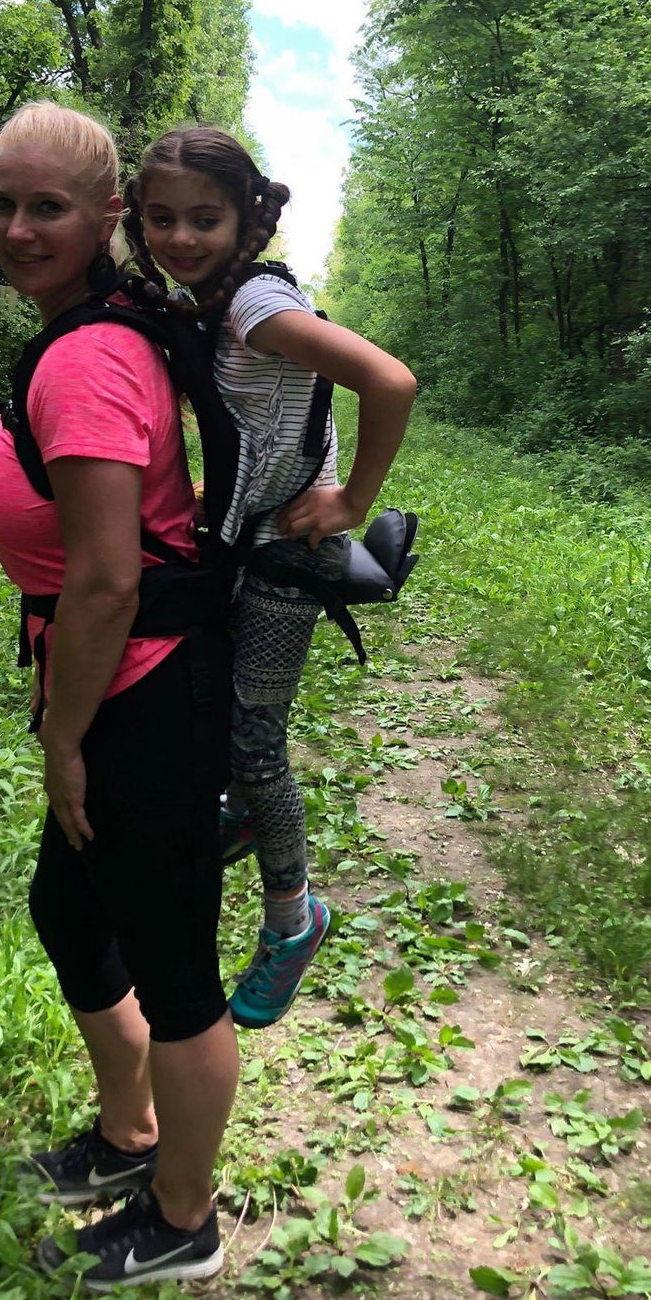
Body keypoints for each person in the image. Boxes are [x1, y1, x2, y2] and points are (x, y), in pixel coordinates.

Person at [0, 101, 237, 1288]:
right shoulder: (90, 328)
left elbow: (109, 579)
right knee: (71, 911)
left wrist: (64, 737)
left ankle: (182, 1220)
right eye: (3, 202)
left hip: (144, 694)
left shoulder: (85, 358)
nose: (19, 227)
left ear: (106, 214)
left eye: (49, 206)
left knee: (173, 970)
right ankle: (130, 1136)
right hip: (115, 685)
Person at [123, 125, 418, 1027]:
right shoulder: (217, 301)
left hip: (288, 549)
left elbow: (390, 382)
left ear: (245, 220)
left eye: (203, 219)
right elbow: (267, 418)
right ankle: (245, 812)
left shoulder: (252, 303)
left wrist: (350, 500)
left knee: (257, 742)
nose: (180, 237)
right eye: (161, 218)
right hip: (252, 532)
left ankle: (294, 920)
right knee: (230, 717)